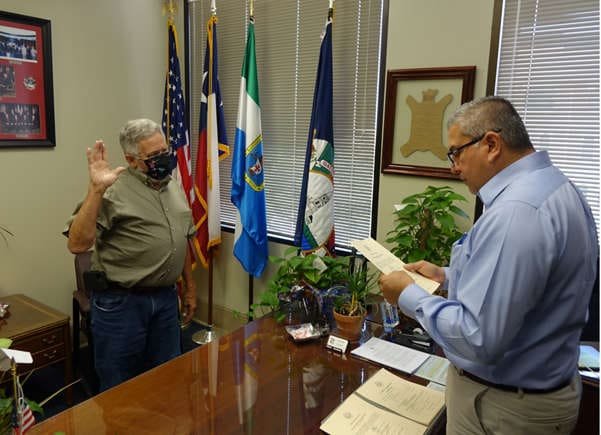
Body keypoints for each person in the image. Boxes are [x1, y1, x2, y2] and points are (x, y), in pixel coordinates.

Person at [379, 96, 598, 435]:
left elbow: (477, 337)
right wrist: (446, 276)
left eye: (456, 153)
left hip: (504, 406)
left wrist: (408, 296)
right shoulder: (558, 188)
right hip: (539, 393)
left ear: (492, 144)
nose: (454, 167)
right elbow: (527, 284)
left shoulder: (517, 211)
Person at [64, 118, 197, 391]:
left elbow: (182, 238)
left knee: (168, 378)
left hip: (165, 300)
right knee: (120, 386)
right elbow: (77, 244)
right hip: (122, 305)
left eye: (165, 150)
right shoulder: (112, 189)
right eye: (154, 155)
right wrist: (96, 190)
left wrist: (190, 288)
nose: (163, 158)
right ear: (131, 159)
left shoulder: (172, 185)